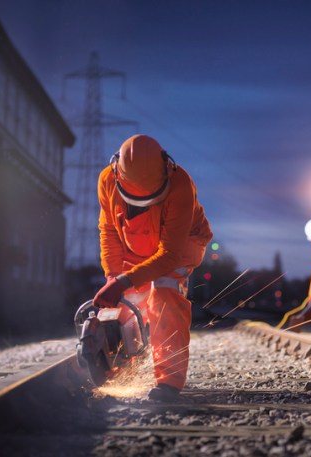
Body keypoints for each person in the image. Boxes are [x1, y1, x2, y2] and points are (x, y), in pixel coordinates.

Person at [92, 134, 213, 401]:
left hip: (182, 246)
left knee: (164, 291)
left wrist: (124, 281)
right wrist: (114, 277)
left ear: (165, 172)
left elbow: (169, 255)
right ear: (118, 172)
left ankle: (169, 382)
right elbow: (109, 230)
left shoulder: (181, 185)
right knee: (124, 301)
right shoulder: (107, 180)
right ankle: (121, 364)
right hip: (136, 246)